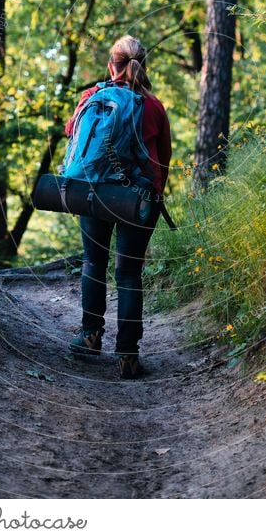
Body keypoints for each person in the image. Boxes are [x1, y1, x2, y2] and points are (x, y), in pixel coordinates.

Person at [65, 35, 172, 379]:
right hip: (137, 197)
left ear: (111, 64)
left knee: (93, 261)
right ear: (143, 65)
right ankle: (127, 354)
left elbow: (72, 133)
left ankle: (90, 335)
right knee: (128, 273)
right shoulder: (153, 106)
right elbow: (164, 158)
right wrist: (153, 194)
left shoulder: (93, 97)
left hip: (94, 192)